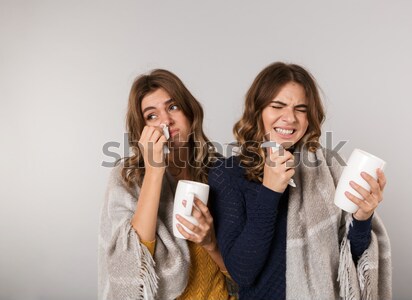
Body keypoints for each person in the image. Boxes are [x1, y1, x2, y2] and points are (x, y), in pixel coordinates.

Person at [208, 62, 392, 299]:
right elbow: (242, 272)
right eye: (278, 106)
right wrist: (270, 191)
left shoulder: (328, 169)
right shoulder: (228, 173)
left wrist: (363, 217)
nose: (290, 118)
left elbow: (349, 261)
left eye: (301, 109)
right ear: (258, 110)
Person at [98, 69, 236, 299]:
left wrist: (211, 243)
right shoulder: (127, 178)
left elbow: (243, 274)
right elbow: (133, 269)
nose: (166, 121)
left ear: (190, 114)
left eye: (173, 107)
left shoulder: (220, 172)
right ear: (141, 130)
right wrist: (154, 169)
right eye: (152, 116)